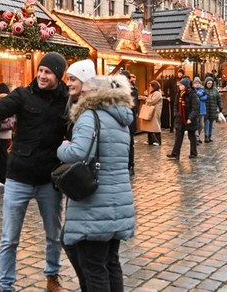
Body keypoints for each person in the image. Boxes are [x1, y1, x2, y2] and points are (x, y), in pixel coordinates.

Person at [0, 52, 69, 292]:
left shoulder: (66, 100)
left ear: (58, 76)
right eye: (40, 70)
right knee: (10, 238)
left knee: (53, 234)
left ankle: (52, 275)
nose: (42, 75)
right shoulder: (22, 95)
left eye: (48, 72)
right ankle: (5, 286)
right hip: (19, 176)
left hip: (49, 178)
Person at [57, 75, 135, 292]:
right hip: (118, 198)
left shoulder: (90, 115)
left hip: (95, 203)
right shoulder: (121, 118)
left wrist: (62, 146)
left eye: (85, 92)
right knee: (110, 262)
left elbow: (78, 153)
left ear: (95, 94)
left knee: (93, 266)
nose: (81, 95)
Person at [167, 77, 199, 160]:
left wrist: (190, 118)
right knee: (178, 137)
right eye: (179, 85)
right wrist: (176, 114)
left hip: (189, 119)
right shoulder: (179, 93)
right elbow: (175, 105)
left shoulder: (192, 94)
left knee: (192, 137)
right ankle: (175, 153)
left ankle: (193, 152)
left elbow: (195, 108)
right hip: (180, 118)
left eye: (181, 85)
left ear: (185, 86)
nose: (180, 86)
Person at [65, 59, 96, 139]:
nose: (68, 84)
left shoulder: (95, 108)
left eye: (72, 79)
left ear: (85, 81)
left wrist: (64, 147)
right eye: (68, 79)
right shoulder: (71, 104)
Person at [0, 83, 13, 186]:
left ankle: (3, 178)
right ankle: (3, 177)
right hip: (6, 132)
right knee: (3, 154)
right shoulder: (10, 100)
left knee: (1, 155)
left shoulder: (1, 100)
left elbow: (4, 117)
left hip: (1, 132)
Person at [120, 70, 138, 176]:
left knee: (130, 144)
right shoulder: (117, 89)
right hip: (121, 121)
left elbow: (132, 106)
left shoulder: (133, 90)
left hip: (129, 121)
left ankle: (131, 165)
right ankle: (123, 165)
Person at [141, 80, 163, 146]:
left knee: (155, 126)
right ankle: (150, 140)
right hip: (151, 111)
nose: (149, 87)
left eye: (150, 86)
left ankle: (158, 141)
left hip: (155, 111)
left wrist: (145, 98)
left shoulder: (157, 93)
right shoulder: (152, 93)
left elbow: (152, 101)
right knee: (149, 126)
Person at [204, 77, 223, 143]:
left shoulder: (215, 90)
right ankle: (206, 136)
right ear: (206, 83)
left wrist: (220, 107)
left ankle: (210, 135)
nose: (209, 84)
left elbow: (219, 99)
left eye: (210, 83)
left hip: (213, 109)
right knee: (207, 122)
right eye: (208, 83)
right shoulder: (203, 90)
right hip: (206, 109)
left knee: (211, 123)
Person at [193, 77, 207, 144]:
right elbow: (195, 97)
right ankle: (196, 138)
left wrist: (200, 96)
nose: (197, 84)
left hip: (202, 110)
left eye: (198, 83)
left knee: (201, 125)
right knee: (196, 124)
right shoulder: (193, 90)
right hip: (196, 110)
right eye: (195, 83)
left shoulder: (203, 90)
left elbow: (205, 97)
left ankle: (197, 136)